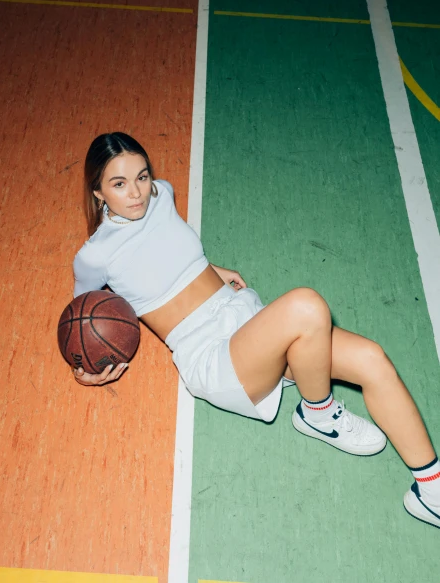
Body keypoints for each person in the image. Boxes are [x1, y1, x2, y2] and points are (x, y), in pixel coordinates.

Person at [72, 132, 440, 529]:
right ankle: (318, 412)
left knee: (373, 359)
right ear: (98, 192)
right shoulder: (95, 255)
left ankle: (432, 491)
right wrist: (88, 366)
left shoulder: (162, 195)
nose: (138, 193)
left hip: (245, 317)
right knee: (307, 306)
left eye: (142, 177)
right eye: (119, 184)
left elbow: (166, 252)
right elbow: (81, 318)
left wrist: (210, 270)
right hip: (212, 354)